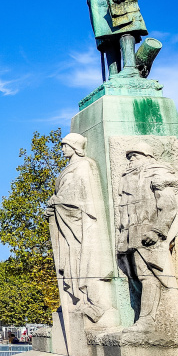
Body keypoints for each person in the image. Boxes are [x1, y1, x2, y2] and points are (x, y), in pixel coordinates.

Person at [47, 133, 115, 324]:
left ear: (76, 146)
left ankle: (94, 303)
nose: (62, 149)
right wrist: (53, 207)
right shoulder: (70, 167)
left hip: (81, 223)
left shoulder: (84, 166)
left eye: (66, 145)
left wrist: (59, 202)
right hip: (66, 221)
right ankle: (77, 300)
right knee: (71, 262)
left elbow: (82, 197)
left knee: (85, 261)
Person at [117, 141, 178, 331]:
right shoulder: (128, 178)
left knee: (149, 276)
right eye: (129, 157)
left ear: (147, 157)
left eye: (135, 156)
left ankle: (147, 320)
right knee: (134, 276)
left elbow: (169, 206)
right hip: (129, 234)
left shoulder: (158, 173)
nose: (130, 160)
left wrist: (157, 231)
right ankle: (141, 316)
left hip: (148, 233)